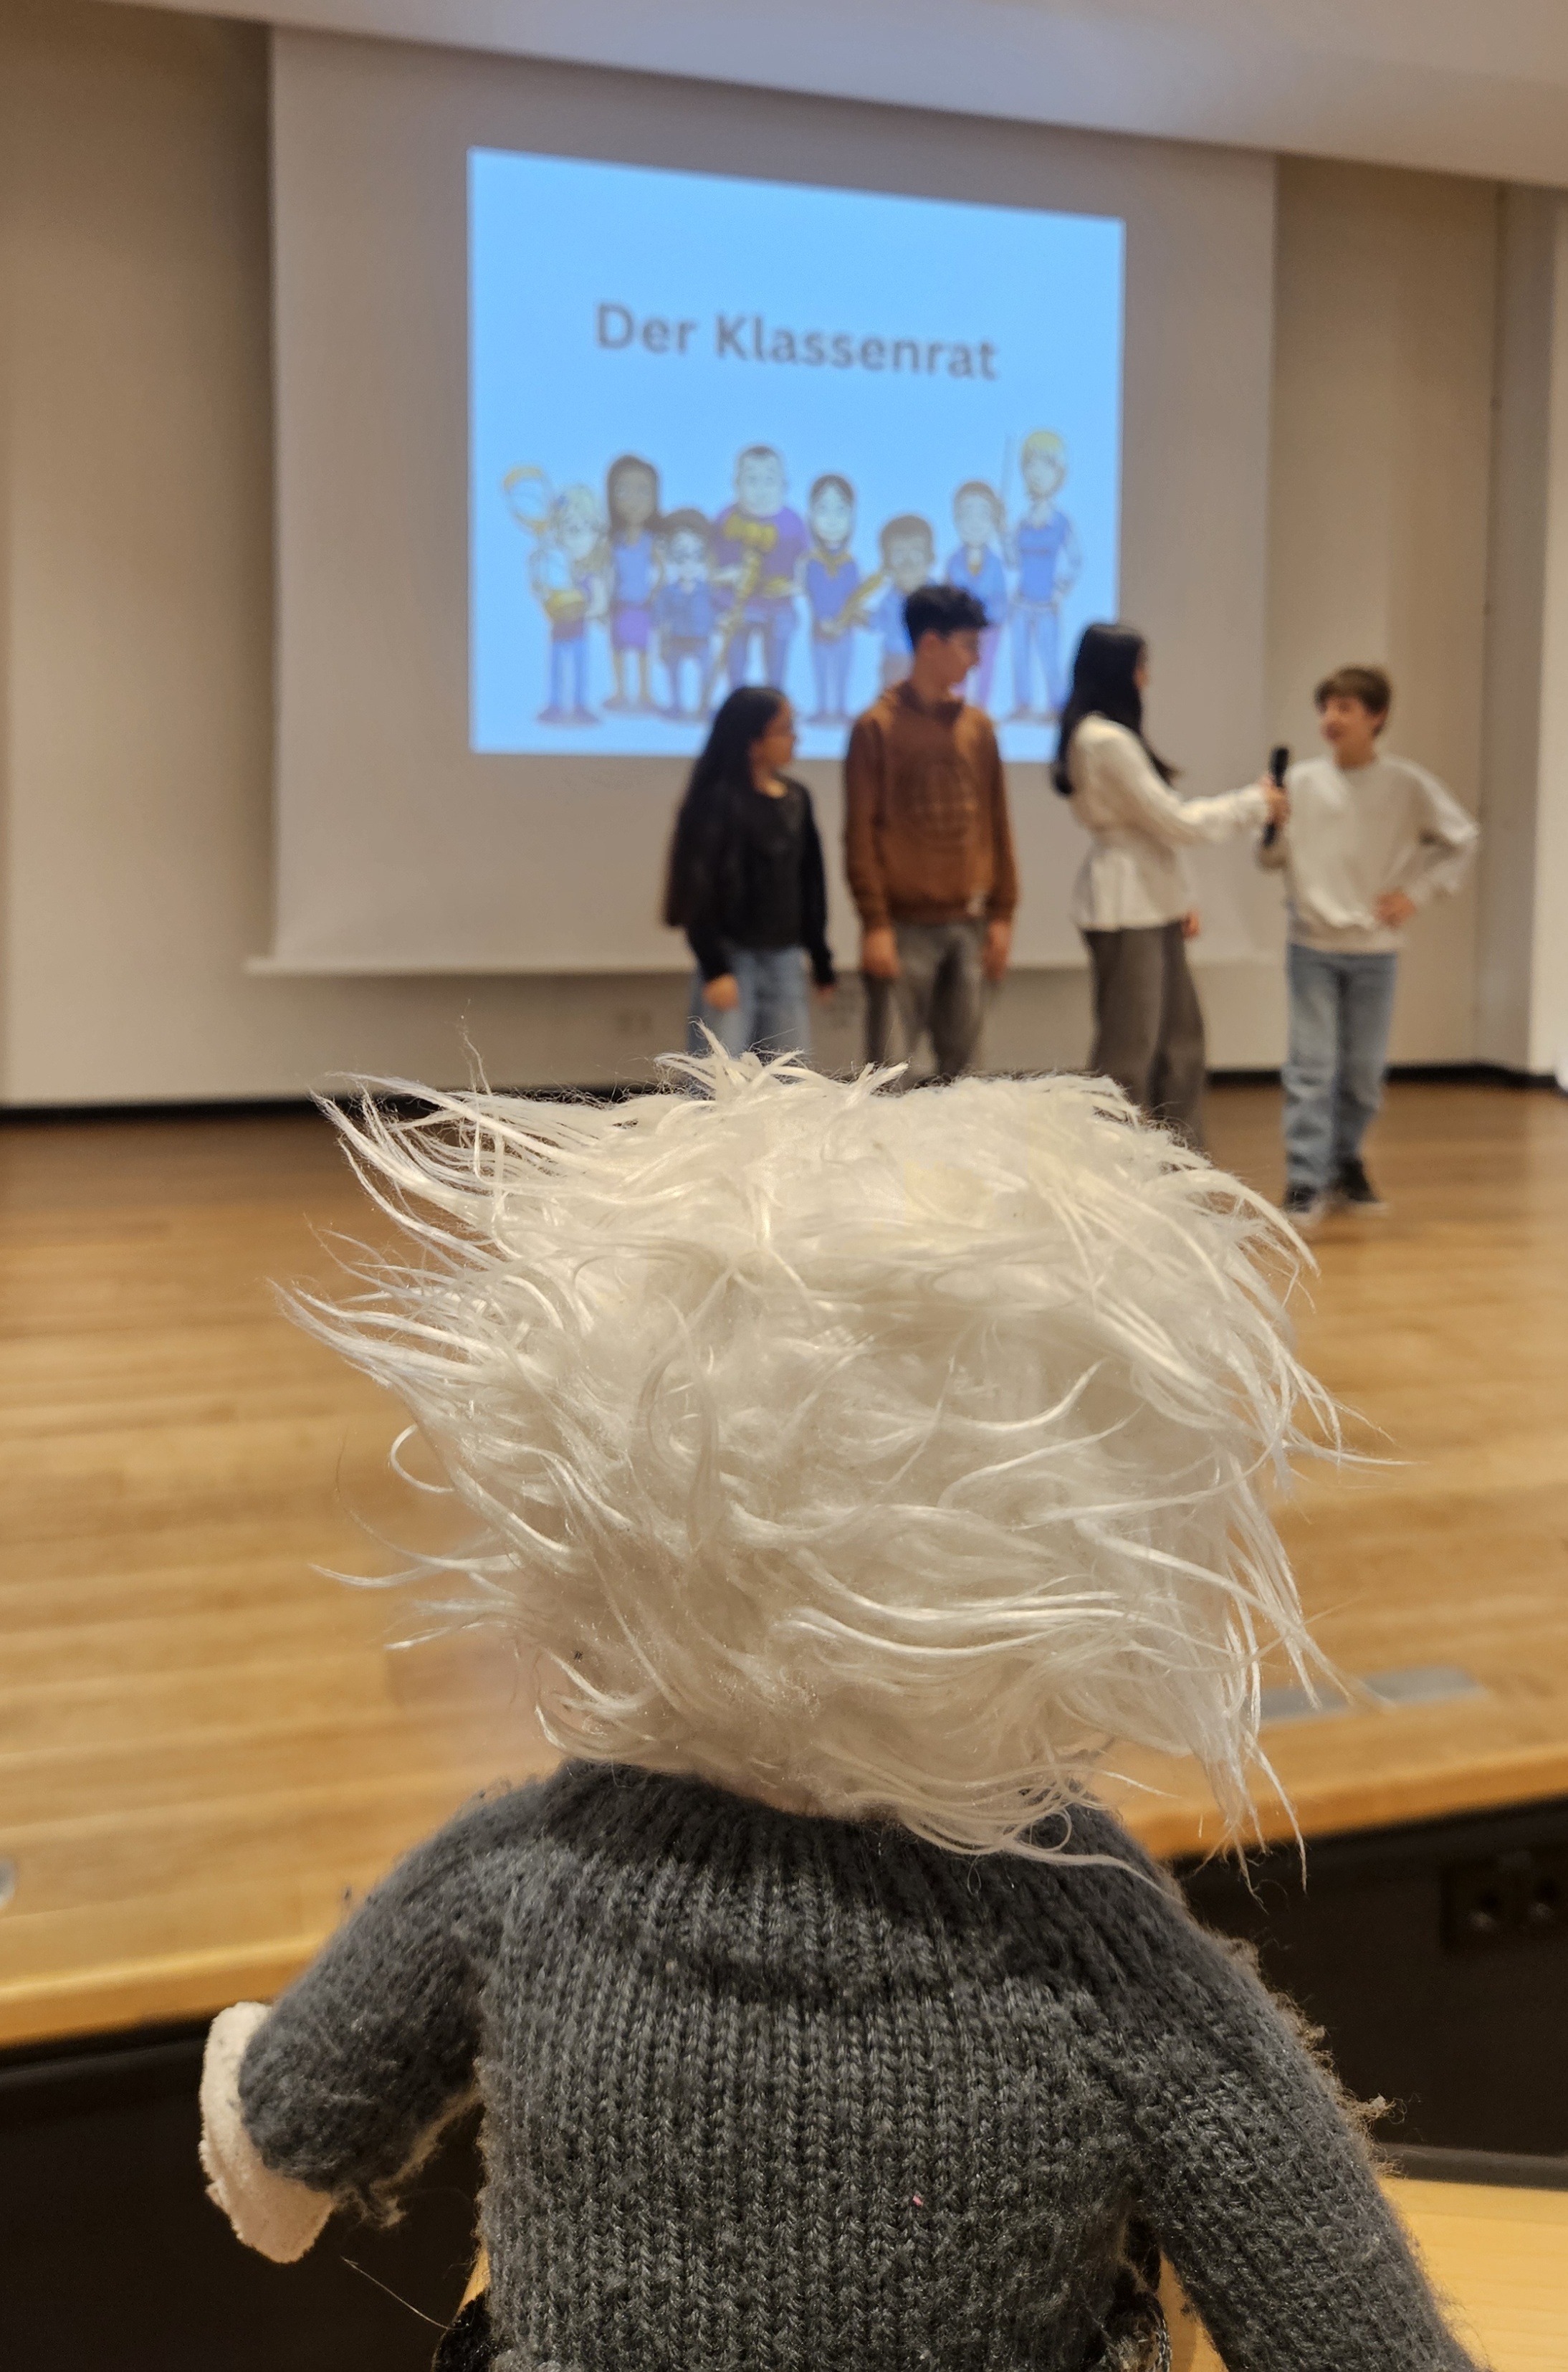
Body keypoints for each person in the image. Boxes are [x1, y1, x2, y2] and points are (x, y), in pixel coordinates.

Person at [199, 1056, 1478, 2372]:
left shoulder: (533, 1862)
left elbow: (282, 2128)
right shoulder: (1081, 1933)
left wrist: (275, 2141)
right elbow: (1334, 2295)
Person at [1261, 664, 1478, 1224]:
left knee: (1361, 1071)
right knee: (1311, 1065)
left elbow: (1462, 839)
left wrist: (1418, 893)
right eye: (1326, 707)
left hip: (1375, 949)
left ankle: (1345, 1163)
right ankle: (1305, 1178)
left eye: (1346, 708)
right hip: (1312, 942)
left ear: (1376, 716)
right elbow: (1267, 860)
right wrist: (1271, 822)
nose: (1331, 719)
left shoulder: (1406, 784)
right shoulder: (1304, 782)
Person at [1057, 622, 1285, 1150]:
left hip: (1151, 901)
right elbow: (1174, 821)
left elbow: (1160, 831)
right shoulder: (1101, 739)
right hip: (1124, 904)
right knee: (1129, 1054)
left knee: (1181, 1044)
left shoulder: (1112, 736)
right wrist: (1253, 803)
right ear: (1118, 671)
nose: (1146, 677)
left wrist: (1181, 899)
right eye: (1140, 665)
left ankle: (1179, 1166)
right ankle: (1115, 1168)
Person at [844, 581, 1016, 1080]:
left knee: (967, 1079)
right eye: (969, 646)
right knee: (888, 1075)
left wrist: (1002, 913)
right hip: (901, 926)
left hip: (968, 921)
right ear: (930, 644)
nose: (976, 661)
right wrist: (875, 923)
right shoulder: (876, 727)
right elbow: (860, 834)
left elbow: (997, 825)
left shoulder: (979, 729)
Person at [663, 685, 834, 1059]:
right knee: (719, 1077)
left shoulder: (797, 798)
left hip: (784, 957)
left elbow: (811, 881)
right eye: (785, 730)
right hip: (731, 957)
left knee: (791, 1075)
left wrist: (821, 960)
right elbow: (697, 883)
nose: (795, 739)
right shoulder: (716, 801)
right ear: (753, 740)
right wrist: (714, 967)